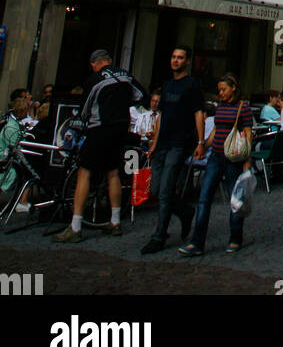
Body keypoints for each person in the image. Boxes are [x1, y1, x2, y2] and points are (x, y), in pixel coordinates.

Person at [53, 49, 145, 244]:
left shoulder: (94, 80)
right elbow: (141, 95)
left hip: (99, 128)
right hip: (120, 128)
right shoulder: (125, 75)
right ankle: (115, 221)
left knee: (84, 172)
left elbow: (85, 110)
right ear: (110, 61)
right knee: (113, 172)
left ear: (94, 63)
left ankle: (76, 226)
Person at [140, 46, 204, 256]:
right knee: (155, 190)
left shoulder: (191, 85)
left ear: (187, 62)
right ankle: (185, 211)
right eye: (173, 57)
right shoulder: (167, 86)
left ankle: (159, 236)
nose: (175, 61)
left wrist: (200, 142)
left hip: (179, 143)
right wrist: (155, 143)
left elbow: (198, 114)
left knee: (166, 190)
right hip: (163, 143)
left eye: (180, 58)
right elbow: (162, 117)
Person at [179, 73, 253, 256]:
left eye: (223, 89)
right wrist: (203, 145)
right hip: (215, 157)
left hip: (233, 160)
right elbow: (217, 130)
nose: (220, 93)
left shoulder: (243, 107)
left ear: (233, 88)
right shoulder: (219, 107)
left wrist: (247, 160)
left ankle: (235, 238)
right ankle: (197, 243)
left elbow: (248, 134)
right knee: (204, 199)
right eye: (219, 90)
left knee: (234, 200)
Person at [0, 89, 32, 213]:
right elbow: (15, 147)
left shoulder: (13, 123)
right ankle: (22, 201)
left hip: (6, 156)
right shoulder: (11, 127)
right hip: (4, 157)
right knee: (24, 169)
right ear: (21, 111)